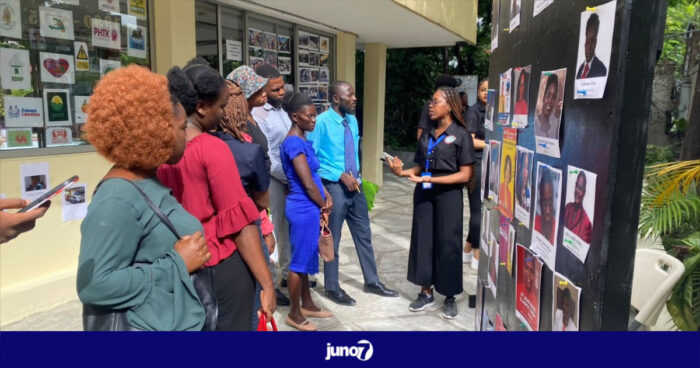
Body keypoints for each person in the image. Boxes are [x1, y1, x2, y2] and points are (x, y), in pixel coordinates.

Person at [77, 65, 210, 331]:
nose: (187, 136)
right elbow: (93, 285)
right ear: (156, 130)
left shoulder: (146, 180)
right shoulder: (117, 198)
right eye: (182, 127)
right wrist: (177, 265)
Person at [158, 61, 275, 331]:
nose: (224, 114)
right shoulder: (212, 149)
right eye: (221, 106)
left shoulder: (158, 152)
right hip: (220, 267)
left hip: (178, 265)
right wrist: (266, 283)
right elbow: (241, 225)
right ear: (200, 106)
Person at [307, 81, 398, 306]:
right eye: (350, 95)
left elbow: (352, 153)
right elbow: (311, 158)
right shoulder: (321, 124)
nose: (355, 98)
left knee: (364, 235)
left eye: (354, 94)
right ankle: (332, 287)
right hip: (335, 188)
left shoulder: (353, 121)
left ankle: (372, 281)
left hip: (355, 186)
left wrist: (355, 176)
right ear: (336, 99)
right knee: (333, 240)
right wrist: (339, 175)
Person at [389, 86, 475, 319]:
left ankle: (449, 295)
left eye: (436, 101)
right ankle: (425, 292)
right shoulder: (426, 134)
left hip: (448, 196)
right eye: (430, 101)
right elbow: (419, 167)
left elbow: (465, 175)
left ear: (450, 106)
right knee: (423, 241)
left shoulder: (461, 135)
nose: (431, 105)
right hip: (424, 194)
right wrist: (402, 173)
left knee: (448, 243)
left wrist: (432, 179)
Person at [214, 77, 280, 329]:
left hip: (211, 242)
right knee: (255, 302)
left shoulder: (196, 147)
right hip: (247, 228)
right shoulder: (246, 149)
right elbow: (262, 200)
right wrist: (265, 227)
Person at [280, 93, 334, 331]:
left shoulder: (303, 140)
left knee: (308, 258)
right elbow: (307, 183)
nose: (314, 119)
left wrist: (326, 195)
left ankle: (308, 304)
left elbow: (314, 177)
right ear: (295, 117)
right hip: (302, 207)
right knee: (299, 263)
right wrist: (322, 202)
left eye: (315, 114)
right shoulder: (293, 143)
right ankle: (294, 313)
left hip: (311, 205)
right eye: (309, 116)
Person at [251, 65, 305, 300]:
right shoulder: (258, 115)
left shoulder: (283, 111)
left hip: (290, 179)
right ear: (264, 88)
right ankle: (271, 284)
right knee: (270, 229)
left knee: (288, 227)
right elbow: (268, 154)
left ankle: (287, 272)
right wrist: (290, 177)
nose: (282, 92)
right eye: (276, 89)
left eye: (283, 87)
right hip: (273, 178)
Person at [463, 78, 488, 269]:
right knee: (477, 210)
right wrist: (492, 146)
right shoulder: (473, 111)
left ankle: (467, 249)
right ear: (478, 92)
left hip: (489, 164)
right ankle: (477, 254)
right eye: (482, 89)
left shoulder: (494, 112)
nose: (486, 93)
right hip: (476, 166)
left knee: (481, 209)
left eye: (489, 90)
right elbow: (470, 141)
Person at [416, 74, 459, 141]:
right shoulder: (430, 106)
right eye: (453, 89)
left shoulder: (453, 106)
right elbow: (420, 133)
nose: (454, 92)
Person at [564, 171, 592, 243]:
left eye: (581, 188)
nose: (577, 191)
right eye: (577, 186)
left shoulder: (587, 224)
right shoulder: (567, 207)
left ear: (584, 193)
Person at [576, 13, 607, 79]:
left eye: (592, 41)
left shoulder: (601, 69)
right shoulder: (579, 70)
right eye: (587, 41)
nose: (589, 47)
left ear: (596, 43)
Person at [534, 73, 559, 139]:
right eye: (548, 96)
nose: (550, 101)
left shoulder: (556, 123)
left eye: (553, 97)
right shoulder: (534, 123)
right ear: (543, 97)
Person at [534, 168, 556, 244]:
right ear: (540, 204)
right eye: (544, 204)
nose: (547, 211)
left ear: (553, 202)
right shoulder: (535, 224)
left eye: (550, 203)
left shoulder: (557, 229)